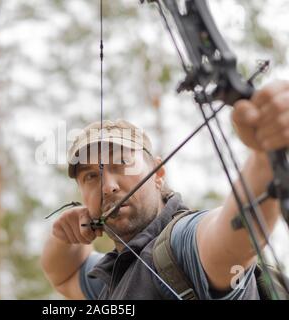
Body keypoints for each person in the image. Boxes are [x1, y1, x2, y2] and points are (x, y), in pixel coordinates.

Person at [41, 81, 289, 300]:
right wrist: (65, 235)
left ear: (158, 174)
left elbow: (234, 238)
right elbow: (63, 275)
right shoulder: (113, 275)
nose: (108, 186)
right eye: (91, 176)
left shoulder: (181, 244)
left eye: (122, 164)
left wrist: (265, 157)